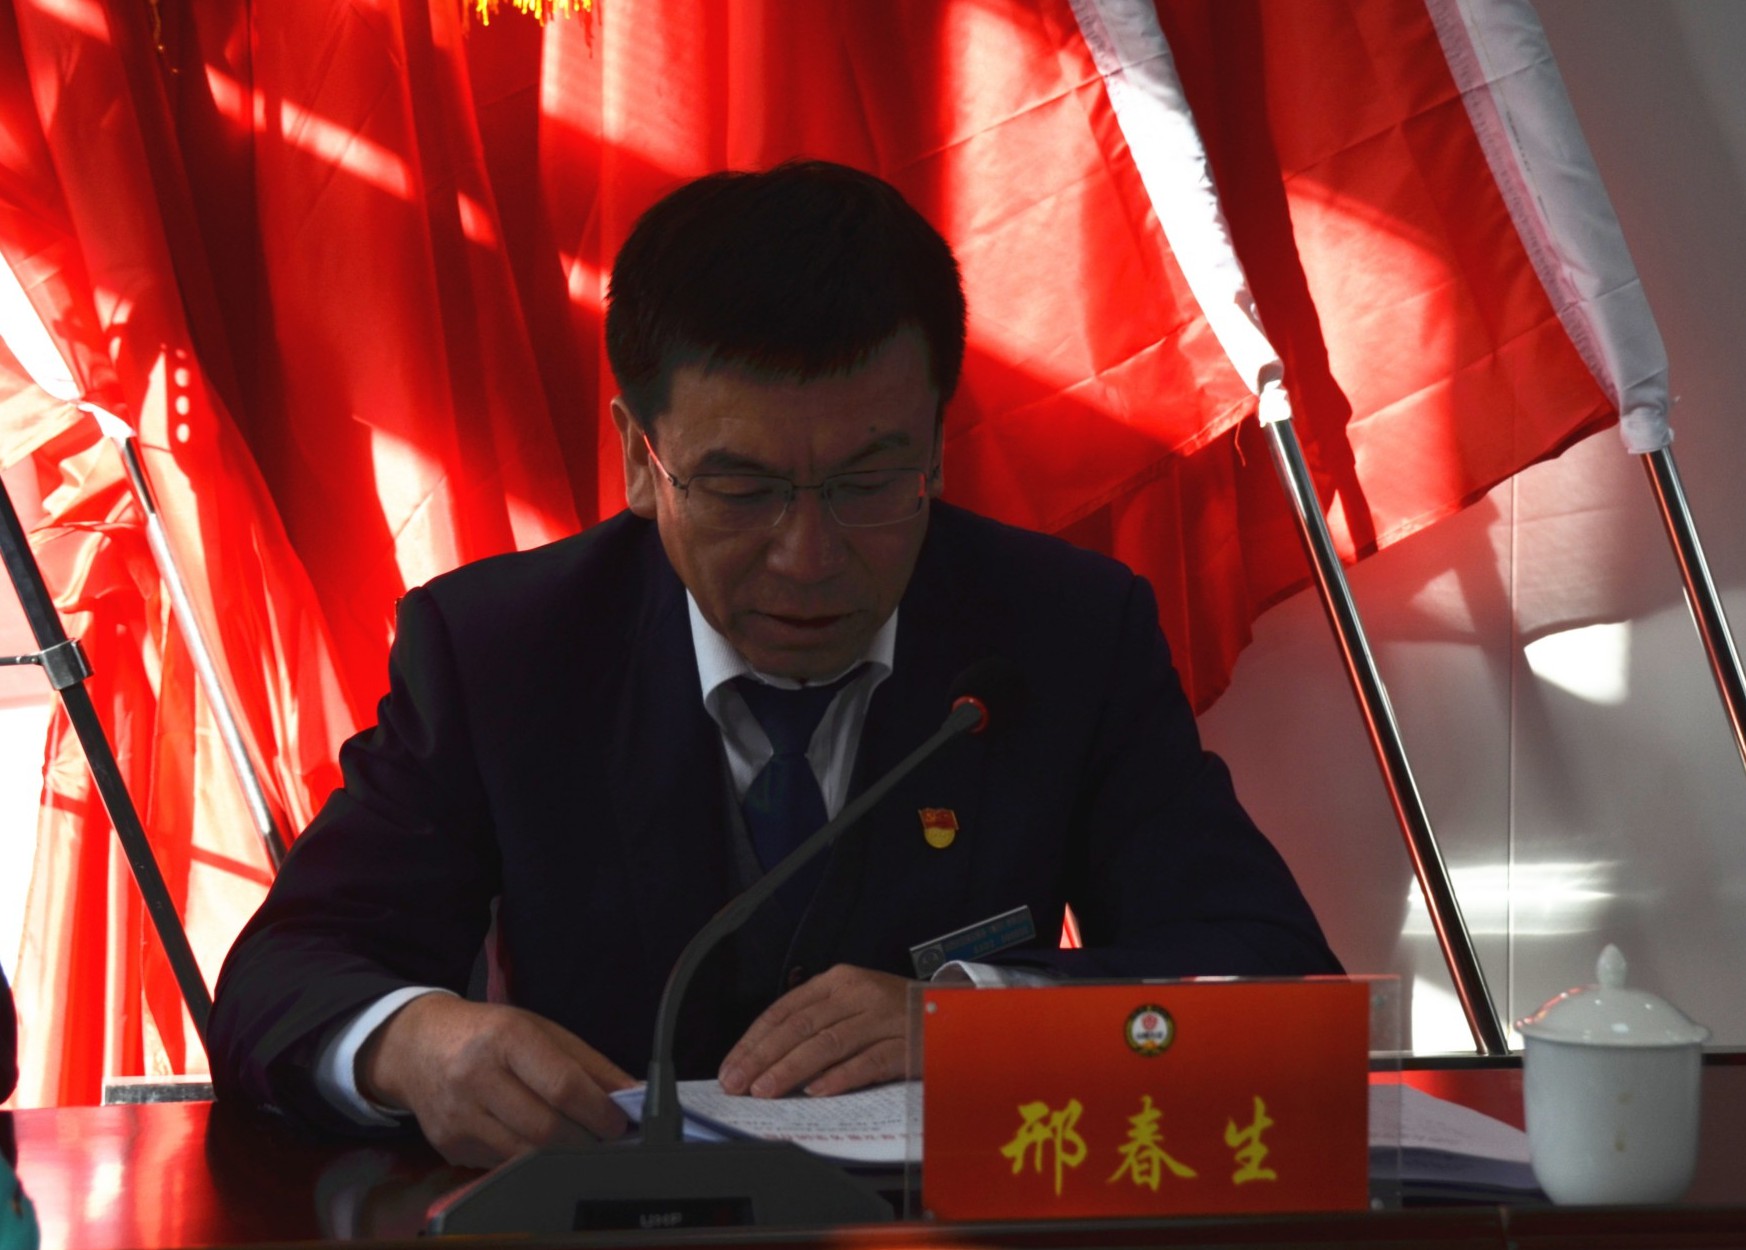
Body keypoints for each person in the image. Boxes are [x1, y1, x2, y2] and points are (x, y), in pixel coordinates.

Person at [209, 159, 1340, 1167]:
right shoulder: (504, 651)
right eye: (741, 488)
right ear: (640, 459)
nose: (807, 557)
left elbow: (1273, 977)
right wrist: (415, 1043)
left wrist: (977, 1022)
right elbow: (281, 976)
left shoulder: (1063, 632)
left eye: (868, 482)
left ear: (937, 448)